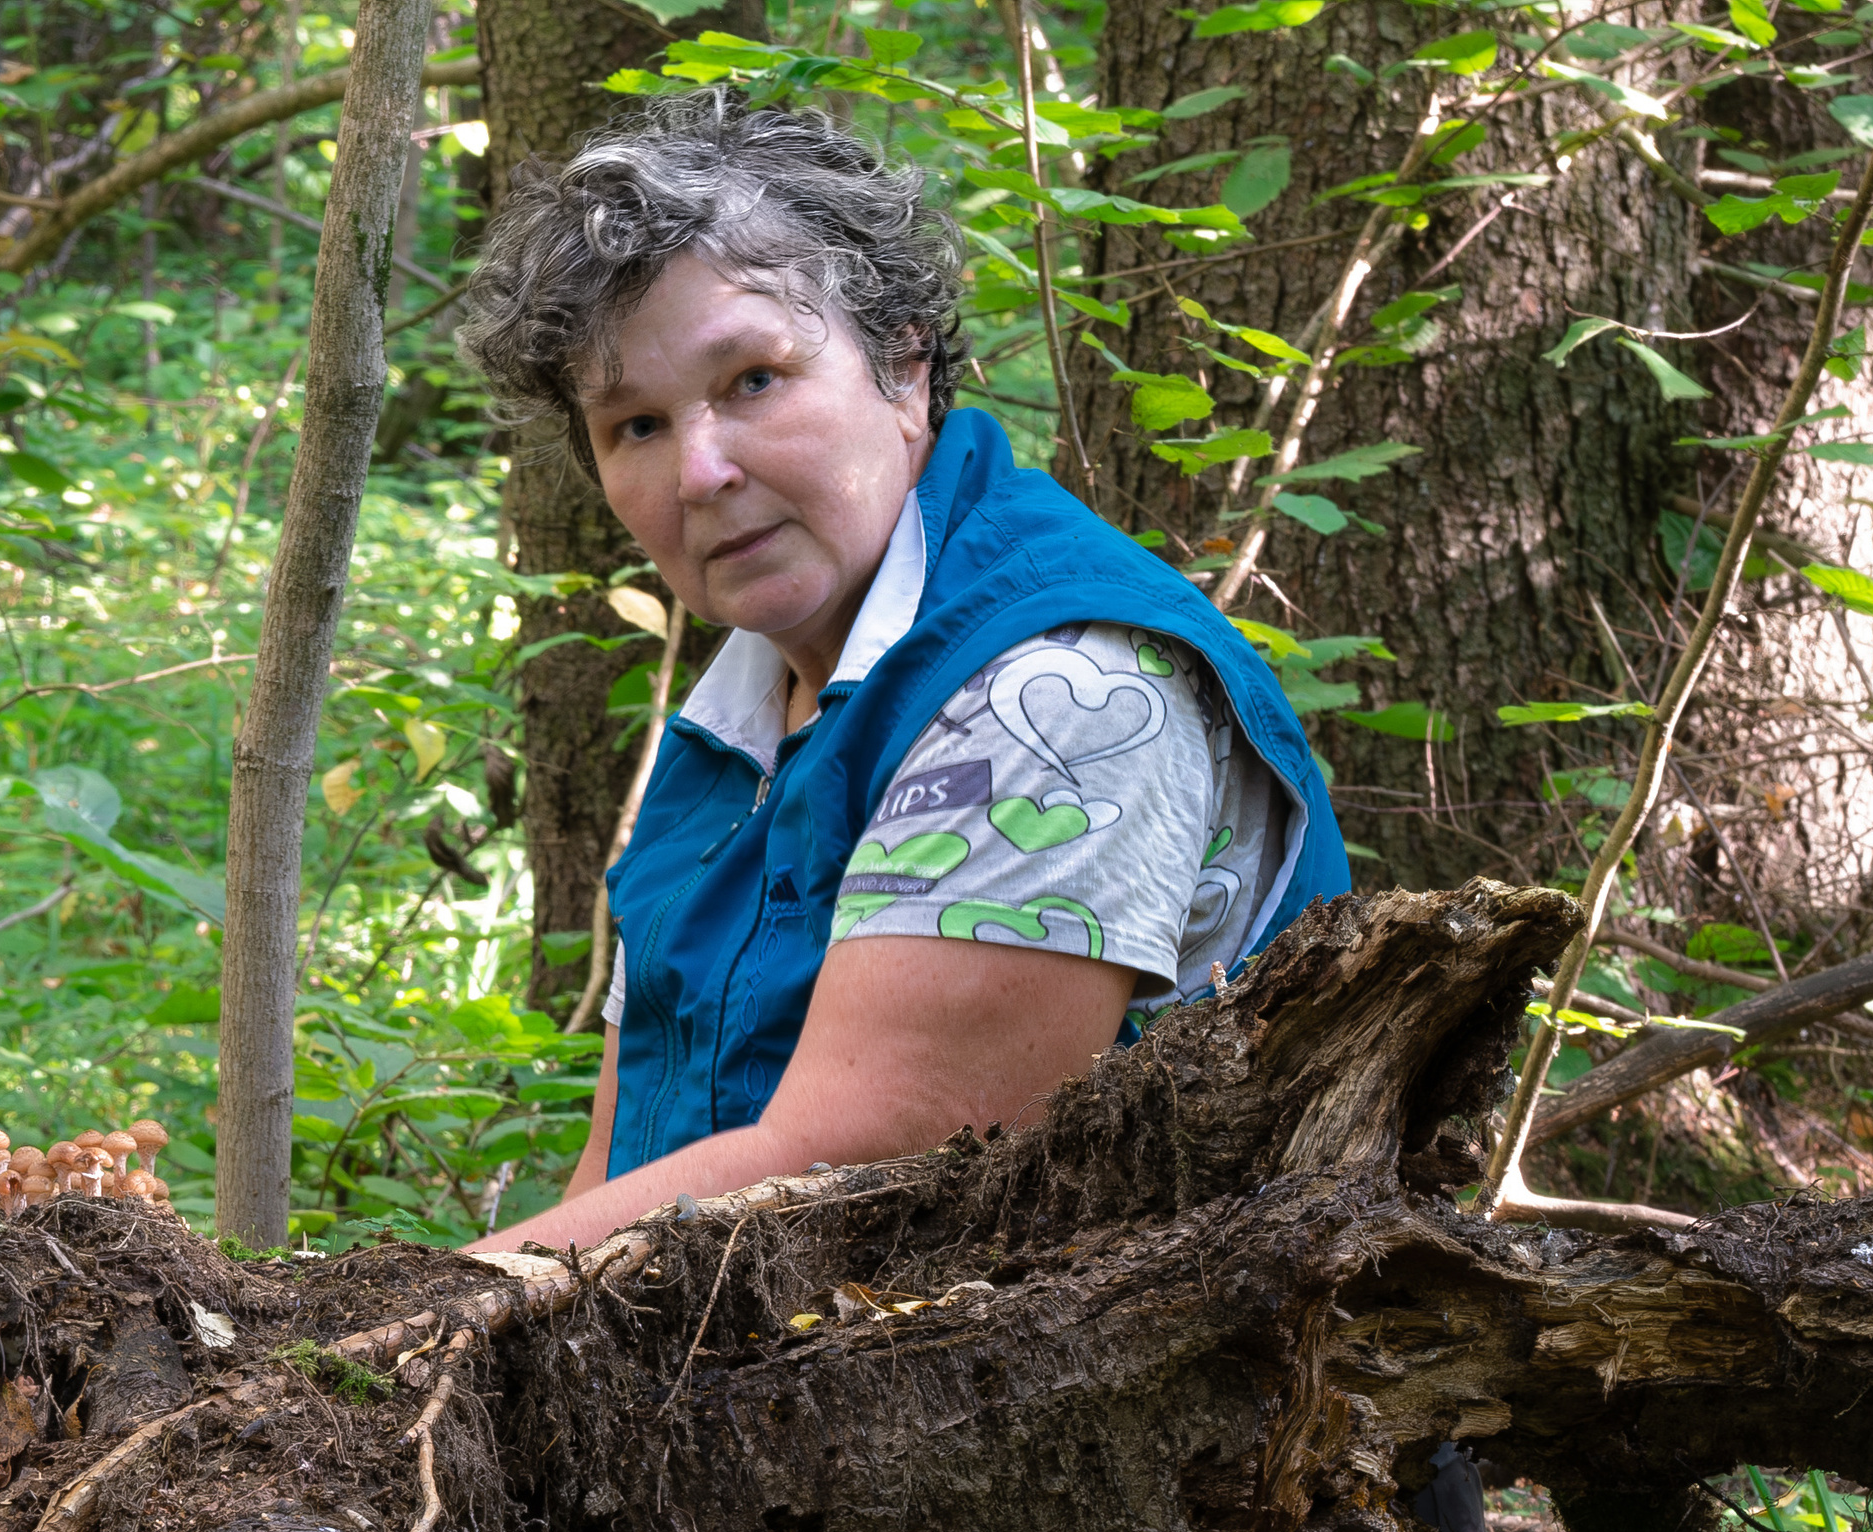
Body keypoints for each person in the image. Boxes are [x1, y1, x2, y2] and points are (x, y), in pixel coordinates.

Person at [457, 88, 1350, 1257]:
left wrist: (421, 1322)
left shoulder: (1059, 692)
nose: (699, 472)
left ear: (905, 369)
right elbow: (619, 1164)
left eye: (753, 380)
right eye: (636, 426)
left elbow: (873, 1171)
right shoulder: (733, 728)